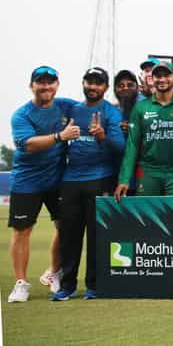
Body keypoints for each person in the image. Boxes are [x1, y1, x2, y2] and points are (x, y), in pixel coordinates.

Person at [52, 68, 124, 301]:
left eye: (98, 83)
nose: (93, 87)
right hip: (71, 180)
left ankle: (93, 285)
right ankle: (67, 286)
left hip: (100, 178)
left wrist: (102, 136)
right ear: (83, 83)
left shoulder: (111, 112)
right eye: (89, 82)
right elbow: (48, 98)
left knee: (96, 236)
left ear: (105, 87)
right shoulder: (72, 108)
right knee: (68, 235)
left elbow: (121, 148)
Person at [8, 66, 76, 303]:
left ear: (57, 85)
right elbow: (27, 144)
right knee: (22, 232)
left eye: (50, 82)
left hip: (58, 180)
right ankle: (21, 284)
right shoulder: (21, 115)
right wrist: (59, 137)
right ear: (32, 86)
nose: (46, 86)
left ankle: (53, 272)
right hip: (26, 181)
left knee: (64, 228)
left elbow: (92, 108)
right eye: (40, 82)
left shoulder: (66, 105)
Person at [115, 60, 173, 199]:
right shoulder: (141, 107)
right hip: (148, 171)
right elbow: (132, 145)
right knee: (147, 217)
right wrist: (124, 179)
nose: (162, 79)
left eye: (167, 75)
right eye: (158, 76)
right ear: (152, 79)